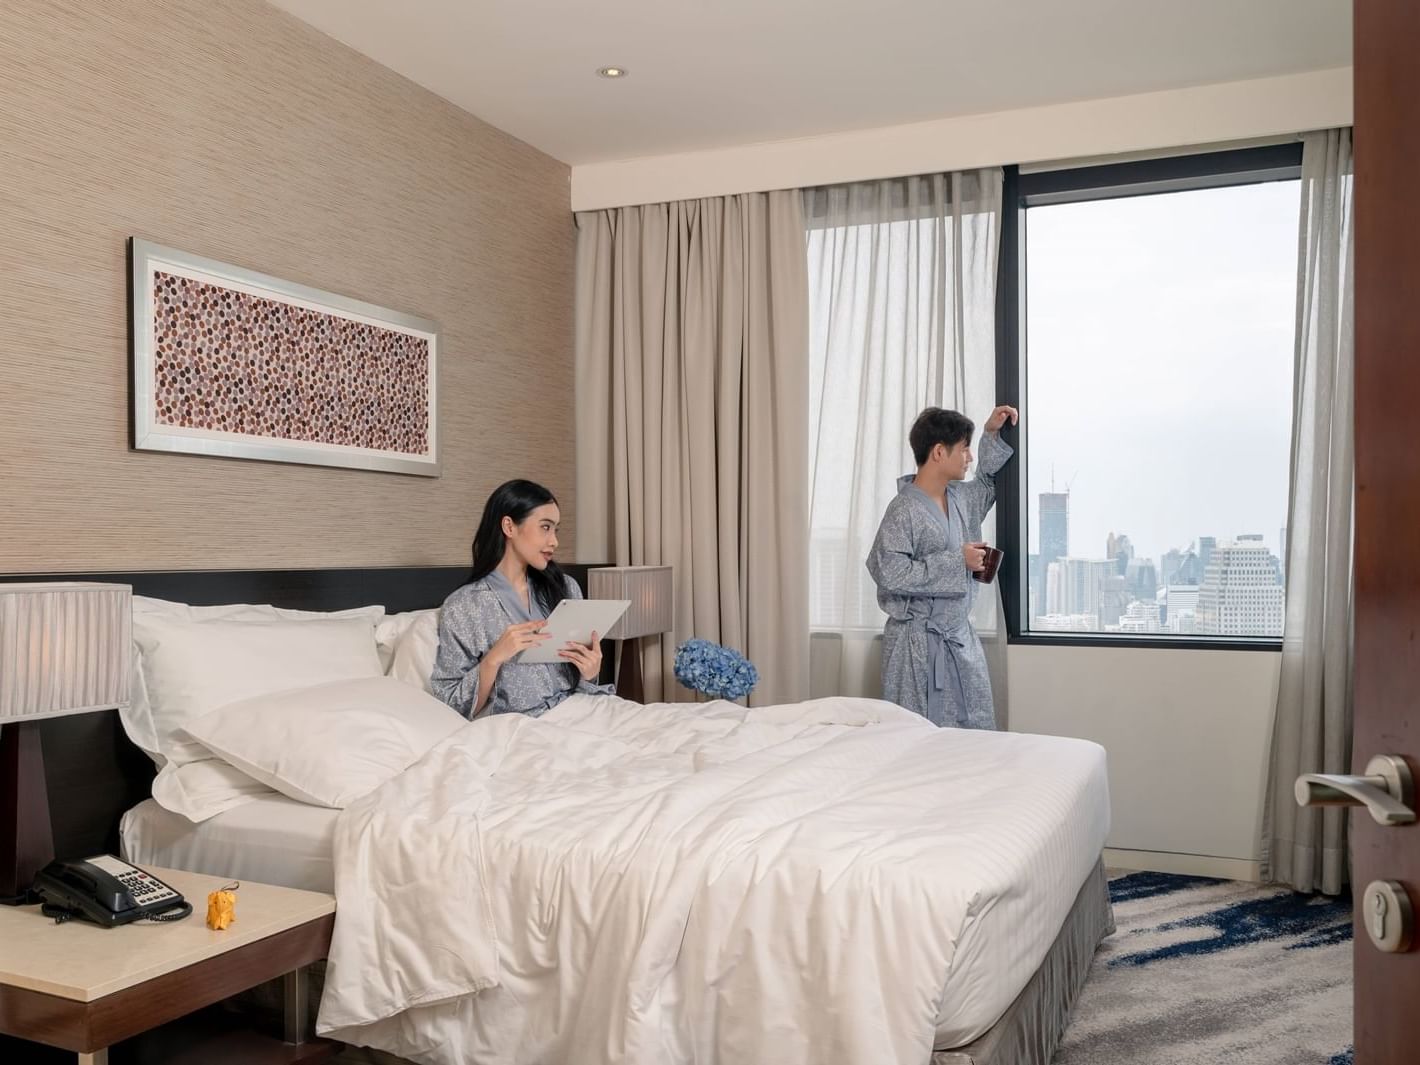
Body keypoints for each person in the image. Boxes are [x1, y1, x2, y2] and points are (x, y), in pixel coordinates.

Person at [865, 405, 1019, 729]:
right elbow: (887, 571)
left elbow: (988, 483)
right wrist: (956, 562)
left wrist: (992, 433)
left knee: (972, 730)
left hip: (959, 640)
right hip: (916, 648)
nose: (969, 457)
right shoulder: (903, 510)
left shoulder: (961, 498)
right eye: (964, 448)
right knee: (916, 738)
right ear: (938, 452)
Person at [431, 479, 613, 719]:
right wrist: (493, 659)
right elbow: (450, 707)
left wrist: (590, 672)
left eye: (555, 529)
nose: (554, 541)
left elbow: (582, 683)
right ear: (509, 527)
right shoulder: (464, 605)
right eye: (545, 527)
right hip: (518, 728)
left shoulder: (566, 587)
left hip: (577, 713)